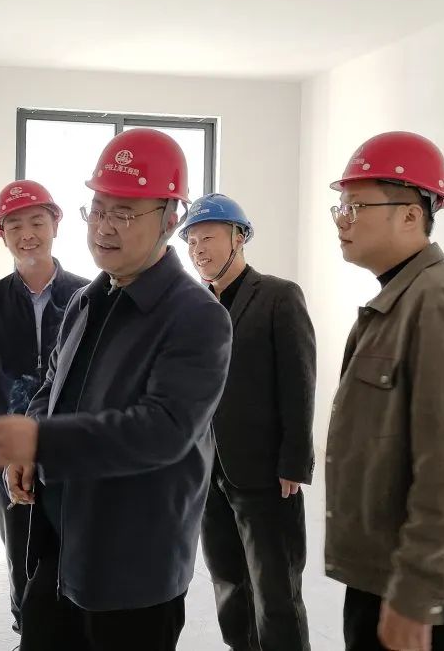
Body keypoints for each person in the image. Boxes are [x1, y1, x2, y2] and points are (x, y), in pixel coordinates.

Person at [0, 129, 233, 651]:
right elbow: (52, 387)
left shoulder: (197, 316)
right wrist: (32, 442)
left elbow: (164, 430)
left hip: (133, 566)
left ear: (170, 219)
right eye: (98, 209)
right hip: (60, 545)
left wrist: (41, 441)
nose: (104, 227)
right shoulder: (87, 300)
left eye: (125, 213)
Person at [324, 131, 444, 651]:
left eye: (356, 206)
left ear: (411, 215)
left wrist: (417, 591)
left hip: (413, 590)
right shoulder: (398, 299)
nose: (342, 220)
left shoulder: (438, 300)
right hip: (380, 577)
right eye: (340, 207)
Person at [180, 193, 317, 651]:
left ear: (238, 237)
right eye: (191, 241)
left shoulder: (278, 296)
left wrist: (294, 461)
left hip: (264, 471)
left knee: (275, 592)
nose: (198, 249)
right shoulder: (193, 307)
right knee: (228, 585)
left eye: (207, 237)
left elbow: (299, 381)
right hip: (208, 473)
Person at [0, 179, 89, 639]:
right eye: (15, 225)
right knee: (19, 546)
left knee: (74, 545)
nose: (27, 234)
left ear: (56, 225)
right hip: (9, 442)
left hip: (69, 441)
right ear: (3, 235)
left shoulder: (87, 295)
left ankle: (72, 634)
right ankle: (26, 631)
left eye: (37, 221)